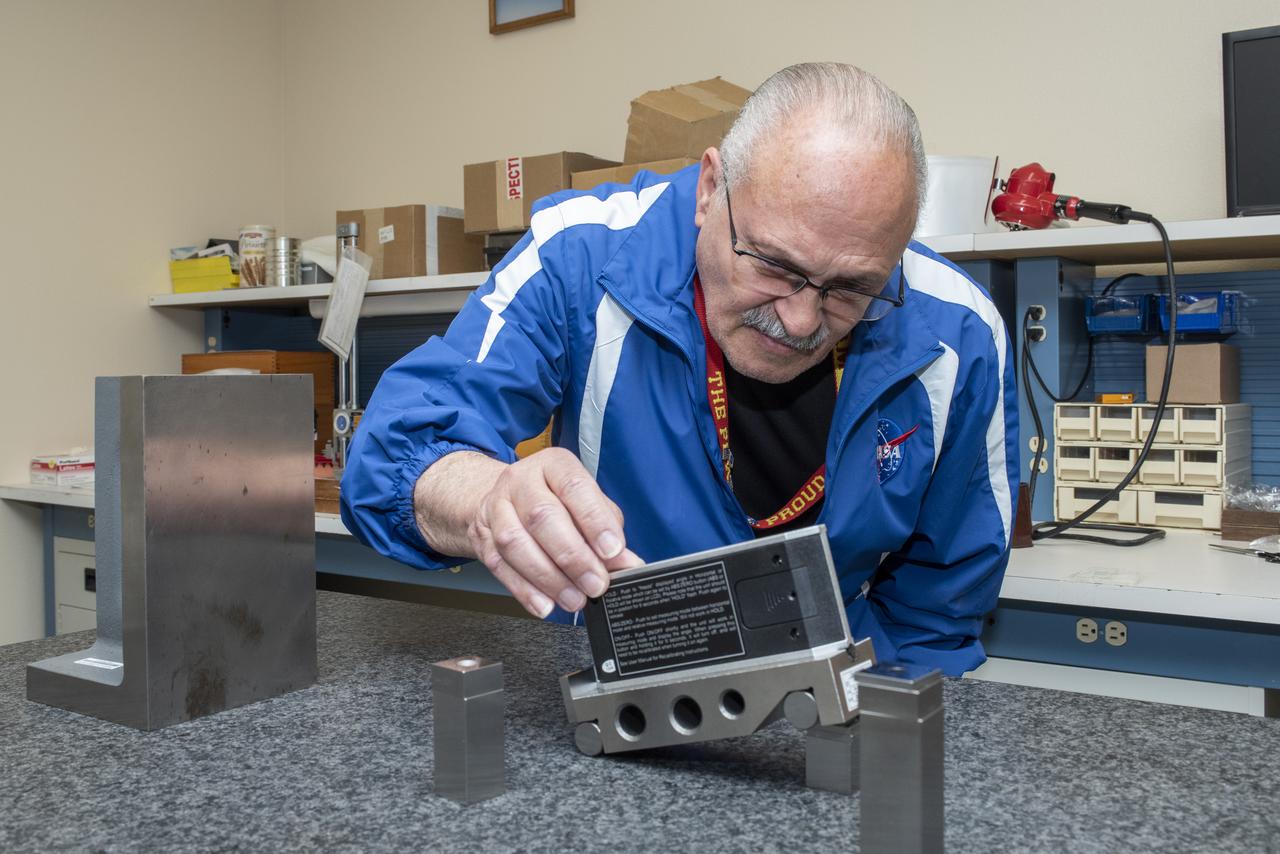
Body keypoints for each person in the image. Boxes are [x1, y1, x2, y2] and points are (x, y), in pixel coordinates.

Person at [340, 62, 1019, 676]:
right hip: (614, 681)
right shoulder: (582, 258)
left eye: (850, 288)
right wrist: (488, 501)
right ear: (710, 188)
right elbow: (397, 453)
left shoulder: (958, 335)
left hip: (842, 691)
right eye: (776, 266)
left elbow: (938, 614)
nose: (803, 320)